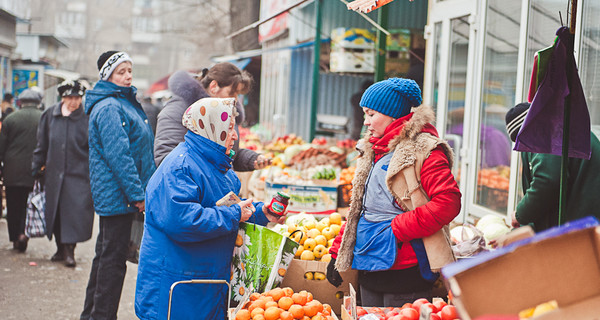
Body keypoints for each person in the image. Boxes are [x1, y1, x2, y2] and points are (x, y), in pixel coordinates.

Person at [135, 97, 286, 319]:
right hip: (178, 287)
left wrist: (260, 212)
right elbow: (183, 221)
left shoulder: (218, 166)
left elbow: (231, 208)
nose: (235, 136)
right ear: (211, 129)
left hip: (204, 282)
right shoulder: (180, 166)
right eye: (230, 128)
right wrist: (235, 213)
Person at [327, 78, 461, 306]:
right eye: (364, 115)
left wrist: (397, 229)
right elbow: (361, 208)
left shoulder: (424, 150)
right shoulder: (373, 149)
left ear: (392, 114)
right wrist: (337, 252)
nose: (366, 122)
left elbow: (448, 203)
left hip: (406, 269)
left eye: (371, 114)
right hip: (370, 265)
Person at [81, 51, 156, 320]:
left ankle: (92, 314)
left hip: (119, 196)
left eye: (129, 71)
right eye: (121, 72)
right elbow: (119, 156)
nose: (128, 76)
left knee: (105, 257)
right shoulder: (110, 107)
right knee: (112, 262)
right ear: (108, 76)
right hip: (120, 197)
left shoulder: (119, 103)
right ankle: (101, 315)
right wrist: (137, 194)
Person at [154, 62, 270, 170]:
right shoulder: (177, 109)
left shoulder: (225, 113)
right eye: (231, 93)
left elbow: (226, 155)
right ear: (214, 86)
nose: (235, 99)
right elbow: (167, 157)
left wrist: (251, 159)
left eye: (237, 94)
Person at [505, 102, 600, 231]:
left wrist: (520, 215)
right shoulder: (558, 127)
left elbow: (548, 181)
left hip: (586, 221)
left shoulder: (547, 134)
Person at [32, 80, 94, 268]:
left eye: (77, 98)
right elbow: (42, 143)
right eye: (70, 98)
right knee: (57, 213)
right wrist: (36, 166)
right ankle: (60, 248)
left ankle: (70, 251)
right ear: (62, 98)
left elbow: (92, 147)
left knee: (73, 214)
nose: (74, 102)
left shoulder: (87, 117)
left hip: (79, 175)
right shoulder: (50, 115)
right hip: (53, 174)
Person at [0, 89, 43, 252]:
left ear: (21, 102)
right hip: (34, 170)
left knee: (13, 204)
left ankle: (14, 239)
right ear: (37, 102)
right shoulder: (43, 118)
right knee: (29, 204)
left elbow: (1, 147)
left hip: (12, 169)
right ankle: (23, 235)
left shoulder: (11, 119)